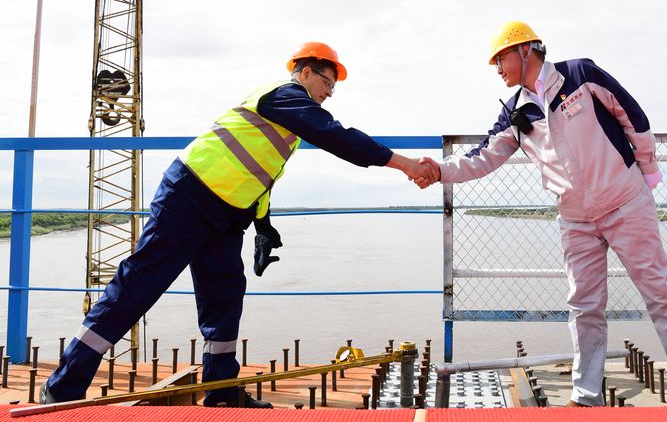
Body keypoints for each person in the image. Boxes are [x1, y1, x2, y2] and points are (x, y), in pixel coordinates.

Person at [42, 42, 436, 408]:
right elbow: (336, 136)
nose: (330, 92)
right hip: (190, 195)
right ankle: (63, 385)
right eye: (326, 82)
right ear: (304, 72)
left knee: (225, 296)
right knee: (139, 285)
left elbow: (258, 173)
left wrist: (263, 225)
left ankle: (221, 390)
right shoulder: (283, 96)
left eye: (334, 86)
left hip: (226, 214)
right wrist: (404, 164)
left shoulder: (289, 120)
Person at [417, 21, 667, 407]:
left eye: (500, 59)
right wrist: (438, 170)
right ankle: (587, 396)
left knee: (661, 294)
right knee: (584, 307)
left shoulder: (580, 75)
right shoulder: (516, 111)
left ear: (525, 50)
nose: (497, 69)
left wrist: (647, 170)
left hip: (626, 203)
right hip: (576, 220)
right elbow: (482, 157)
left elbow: (633, 116)